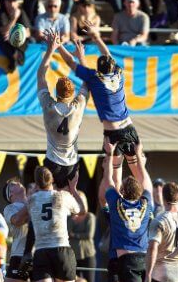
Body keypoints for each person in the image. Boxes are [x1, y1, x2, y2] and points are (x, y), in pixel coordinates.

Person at [58, 18, 142, 174]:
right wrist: (96, 37)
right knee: (138, 171)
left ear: (98, 70)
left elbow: (70, 62)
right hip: (129, 127)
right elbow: (107, 53)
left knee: (114, 174)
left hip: (113, 132)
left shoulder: (94, 78)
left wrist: (58, 45)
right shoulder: (118, 73)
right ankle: (147, 197)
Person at [24, 166, 86, 282]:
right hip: (61, 249)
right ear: (52, 180)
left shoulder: (31, 200)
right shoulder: (62, 197)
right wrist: (73, 189)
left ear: (36, 183)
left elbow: (24, 217)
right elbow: (82, 211)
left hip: (42, 251)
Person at [102, 139, 154, 282]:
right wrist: (138, 156)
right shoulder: (146, 203)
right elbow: (147, 182)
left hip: (126, 261)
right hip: (143, 258)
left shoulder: (116, 203)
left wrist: (110, 156)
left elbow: (108, 182)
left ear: (122, 191)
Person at [37, 30, 88, 190]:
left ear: (56, 92)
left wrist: (51, 50)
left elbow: (41, 76)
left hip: (52, 161)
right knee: (68, 200)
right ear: (72, 93)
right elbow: (88, 80)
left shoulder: (49, 106)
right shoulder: (78, 106)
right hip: (71, 164)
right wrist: (81, 58)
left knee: (47, 199)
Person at [97, 157, 133, 282]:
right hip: (115, 259)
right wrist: (110, 165)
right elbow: (105, 195)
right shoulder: (116, 209)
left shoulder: (142, 209)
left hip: (133, 261)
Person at [68, 192, 97, 282]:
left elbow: (89, 235)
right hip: (73, 256)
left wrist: (74, 235)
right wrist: (72, 219)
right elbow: (67, 232)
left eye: (79, 200)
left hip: (87, 255)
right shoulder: (70, 217)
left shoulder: (90, 216)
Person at [0, 0, 31, 70]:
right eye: (9, 2)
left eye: (14, 1)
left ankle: (18, 56)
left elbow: (28, 32)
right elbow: (4, 31)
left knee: (27, 39)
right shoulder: (1, 13)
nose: (12, 4)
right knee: (4, 39)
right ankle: (13, 58)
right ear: (5, 3)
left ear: (17, 3)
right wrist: (14, 18)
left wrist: (19, 35)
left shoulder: (21, 12)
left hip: (14, 38)